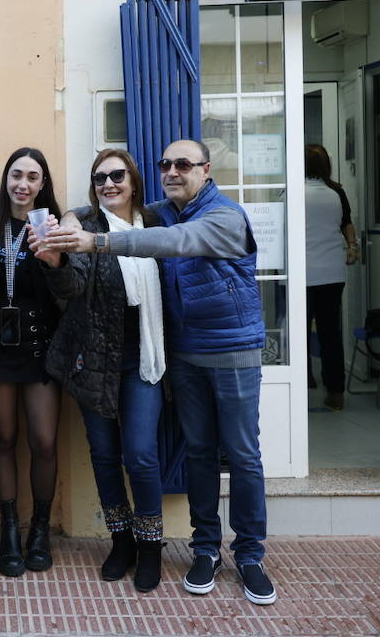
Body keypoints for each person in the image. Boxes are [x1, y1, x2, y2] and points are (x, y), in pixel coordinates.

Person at [40, 139, 275, 606]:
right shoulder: (162, 211)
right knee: (200, 455)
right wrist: (70, 220)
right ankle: (205, 549)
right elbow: (108, 212)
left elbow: (174, 244)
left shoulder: (222, 217)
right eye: (165, 163)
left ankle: (250, 555)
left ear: (206, 170)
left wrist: (96, 241)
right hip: (183, 354)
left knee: (243, 456)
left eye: (183, 164)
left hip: (231, 352)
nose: (172, 170)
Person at [34, 149, 170, 593]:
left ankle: (151, 546)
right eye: (99, 178)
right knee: (105, 454)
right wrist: (54, 262)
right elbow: (73, 284)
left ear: (133, 181)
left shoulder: (157, 225)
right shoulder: (84, 225)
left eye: (116, 176)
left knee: (142, 455)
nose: (108, 184)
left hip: (142, 358)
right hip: (93, 358)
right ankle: (122, 542)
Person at [0, 147, 64, 577]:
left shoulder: (52, 225)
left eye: (32, 177)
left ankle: (39, 530)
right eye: (16, 174)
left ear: (43, 185)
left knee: (43, 441)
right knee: (3, 439)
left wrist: (55, 257)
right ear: (6, 177)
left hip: (41, 347)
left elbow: (67, 288)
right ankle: (9, 529)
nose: (22, 184)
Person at [303, 144, 358, 411]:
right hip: (332, 272)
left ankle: (304, 384)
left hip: (302, 273)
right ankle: (336, 392)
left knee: (298, 332)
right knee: (330, 333)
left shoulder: (291, 191)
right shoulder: (337, 191)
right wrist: (352, 247)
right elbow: (347, 223)